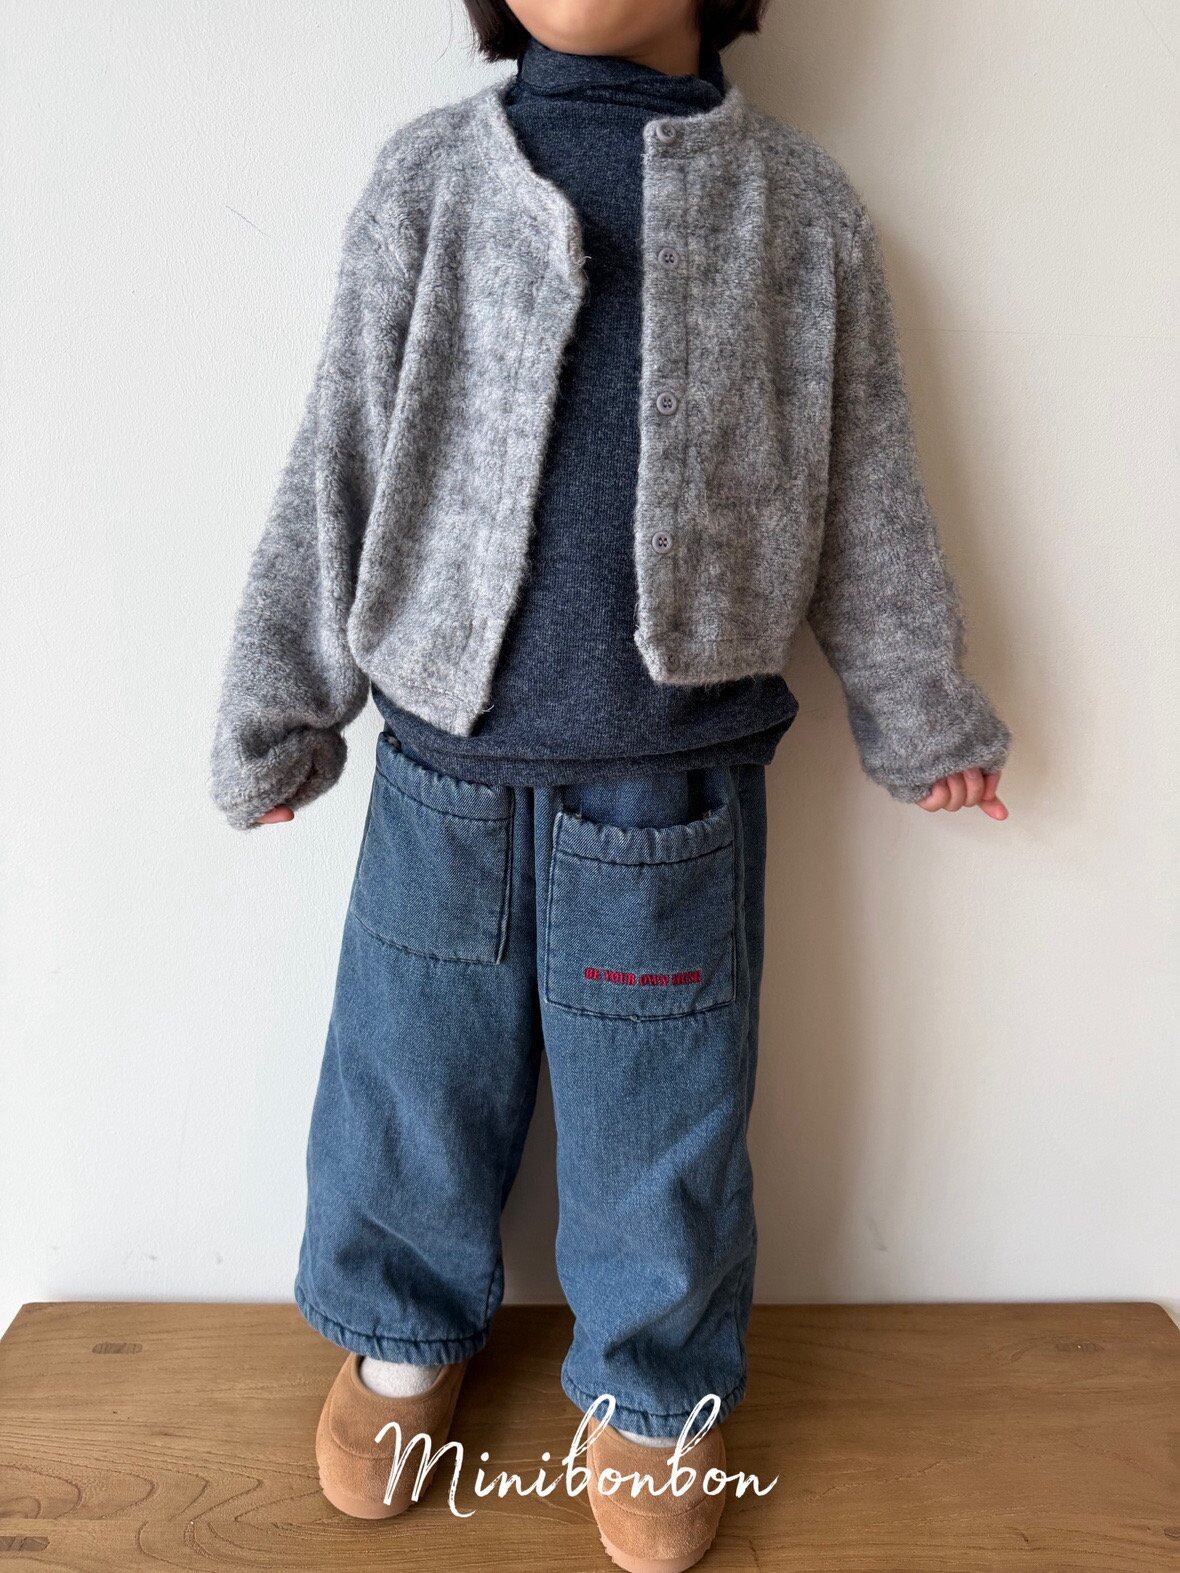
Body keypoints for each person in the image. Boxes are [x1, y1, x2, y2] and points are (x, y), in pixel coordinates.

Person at [210, 1, 1010, 1566]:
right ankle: (397, 1335)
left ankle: (653, 1394)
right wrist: (279, 706)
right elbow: (337, 463)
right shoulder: (433, 183)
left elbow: (867, 496)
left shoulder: (798, 211)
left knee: (664, 1125)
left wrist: (923, 717)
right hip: (438, 783)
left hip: (670, 804)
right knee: (407, 1081)